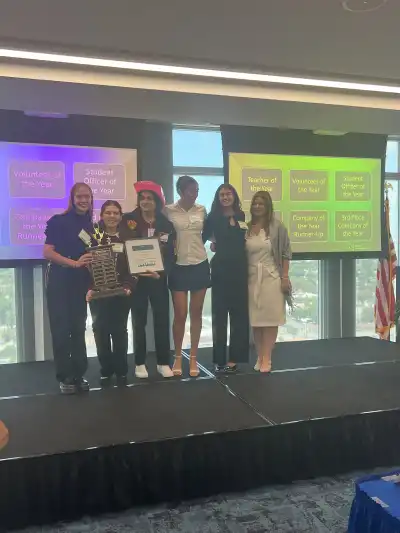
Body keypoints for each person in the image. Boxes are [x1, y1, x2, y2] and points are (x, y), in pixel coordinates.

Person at [120, 181, 175, 379]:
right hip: (136, 280)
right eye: (142, 198)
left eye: (149, 198)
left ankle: (162, 362)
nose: (145, 202)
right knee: (138, 321)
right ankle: (140, 362)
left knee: (162, 320)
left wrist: (161, 272)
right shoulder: (128, 220)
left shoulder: (166, 224)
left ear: (157, 201)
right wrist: (134, 271)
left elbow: (171, 254)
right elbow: (125, 247)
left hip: (158, 278)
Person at [44, 183, 94, 394]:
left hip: (79, 283)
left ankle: (78, 374)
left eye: (87, 197)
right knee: (61, 330)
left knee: (78, 329)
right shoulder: (58, 221)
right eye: (79, 196)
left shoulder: (92, 227)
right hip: (59, 281)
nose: (83, 200)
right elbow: (47, 252)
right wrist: (74, 263)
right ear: (72, 198)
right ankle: (64, 377)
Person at [164, 175, 210, 377]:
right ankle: (177, 357)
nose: (195, 194)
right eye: (192, 191)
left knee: (196, 313)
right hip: (178, 266)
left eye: (197, 190)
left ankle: (193, 357)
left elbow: (206, 234)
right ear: (181, 192)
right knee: (180, 314)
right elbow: (162, 235)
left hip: (200, 263)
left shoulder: (202, 210)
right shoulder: (168, 210)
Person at [86, 200, 136, 387]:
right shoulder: (93, 238)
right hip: (98, 293)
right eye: (108, 212)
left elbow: (134, 267)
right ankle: (106, 369)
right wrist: (90, 287)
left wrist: (129, 285)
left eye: (116, 213)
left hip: (121, 293)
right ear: (102, 216)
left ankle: (122, 371)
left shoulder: (128, 238)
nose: (112, 216)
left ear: (121, 217)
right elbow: (87, 266)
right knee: (100, 331)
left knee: (120, 332)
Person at [203, 184, 249, 372]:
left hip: (240, 268)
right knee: (219, 315)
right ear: (217, 197)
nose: (225, 197)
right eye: (221, 194)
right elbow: (203, 238)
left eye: (228, 194)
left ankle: (235, 359)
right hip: (221, 269)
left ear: (234, 196)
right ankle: (220, 359)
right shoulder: (212, 217)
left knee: (239, 315)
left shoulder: (241, 216)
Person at [246, 190, 292, 373]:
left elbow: (286, 253)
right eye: (255, 203)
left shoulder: (277, 227)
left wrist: (285, 277)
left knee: (270, 320)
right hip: (251, 279)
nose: (258, 206)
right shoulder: (246, 227)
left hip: (272, 278)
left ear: (268, 207)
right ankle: (259, 356)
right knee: (256, 321)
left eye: (261, 204)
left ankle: (268, 358)